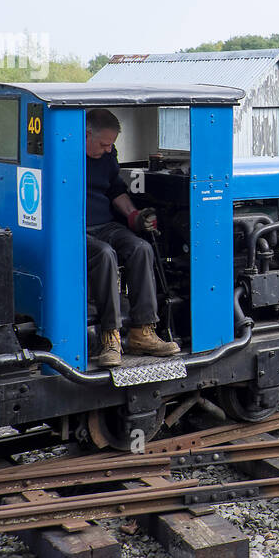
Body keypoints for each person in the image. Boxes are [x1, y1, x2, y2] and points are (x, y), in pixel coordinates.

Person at [85, 108, 180, 368]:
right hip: (74, 230)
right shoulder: (64, 156)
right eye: (104, 144)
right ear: (85, 135)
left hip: (104, 224)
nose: (108, 150)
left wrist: (135, 216)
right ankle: (110, 337)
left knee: (141, 248)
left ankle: (142, 331)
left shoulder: (107, 156)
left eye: (111, 145)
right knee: (104, 254)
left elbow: (116, 189)